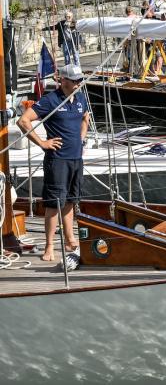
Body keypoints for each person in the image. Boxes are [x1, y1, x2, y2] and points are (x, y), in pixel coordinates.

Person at [18, 63, 91, 266]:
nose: (78, 84)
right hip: (57, 160)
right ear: (63, 80)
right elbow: (23, 121)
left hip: (76, 158)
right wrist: (43, 143)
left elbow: (85, 118)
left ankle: (70, 240)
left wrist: (82, 138)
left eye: (80, 80)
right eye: (74, 81)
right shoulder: (50, 100)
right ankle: (50, 246)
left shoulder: (80, 99)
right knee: (54, 204)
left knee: (70, 201)